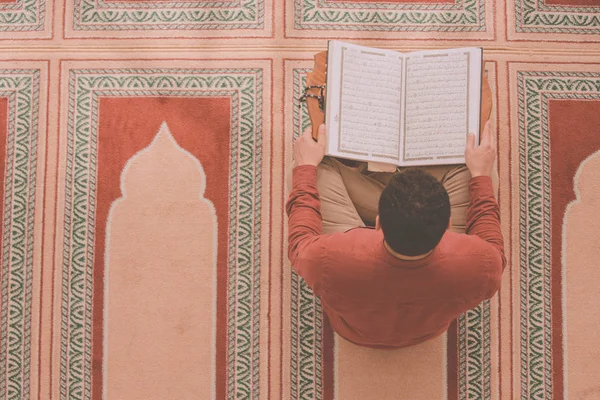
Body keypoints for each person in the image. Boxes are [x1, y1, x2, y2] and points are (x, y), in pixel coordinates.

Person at [286, 121, 506, 348]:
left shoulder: (327, 257)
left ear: (378, 224)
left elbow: (299, 242)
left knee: (307, 167)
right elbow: (489, 231)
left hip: (353, 331)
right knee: (480, 170)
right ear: (448, 225)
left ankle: (376, 174)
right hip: (425, 332)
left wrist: (305, 167)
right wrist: (480, 176)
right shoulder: (483, 266)